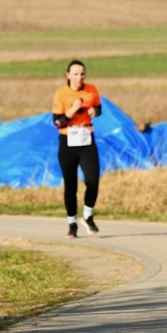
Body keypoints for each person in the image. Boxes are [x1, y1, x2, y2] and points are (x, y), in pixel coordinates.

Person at [52, 60, 102, 238]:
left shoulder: (92, 90)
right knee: (70, 185)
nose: (79, 77)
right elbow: (57, 122)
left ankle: (88, 215)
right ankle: (72, 223)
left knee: (93, 180)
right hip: (67, 141)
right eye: (75, 74)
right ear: (68, 75)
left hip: (86, 139)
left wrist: (94, 112)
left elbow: (98, 108)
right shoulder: (61, 93)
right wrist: (73, 110)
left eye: (82, 74)